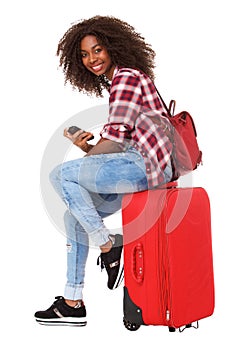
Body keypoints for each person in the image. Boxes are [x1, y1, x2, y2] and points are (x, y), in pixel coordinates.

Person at [34, 15, 173, 326]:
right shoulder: (120, 82)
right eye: (84, 54)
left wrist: (88, 157)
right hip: (135, 167)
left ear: (112, 47)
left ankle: (110, 246)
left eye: (97, 50)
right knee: (75, 216)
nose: (91, 59)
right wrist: (86, 149)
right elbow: (119, 144)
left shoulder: (127, 78)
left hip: (148, 167)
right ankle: (73, 301)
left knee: (60, 174)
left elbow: (115, 140)